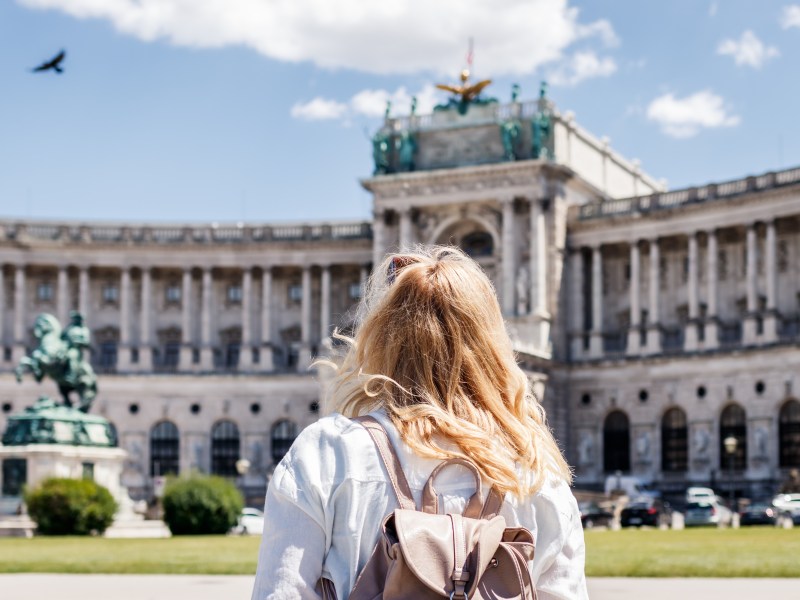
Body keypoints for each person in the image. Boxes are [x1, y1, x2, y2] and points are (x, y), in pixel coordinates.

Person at [251, 246, 587, 600]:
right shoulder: (538, 476)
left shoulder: (325, 453)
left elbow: (280, 592)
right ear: (494, 345)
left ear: (381, 337)